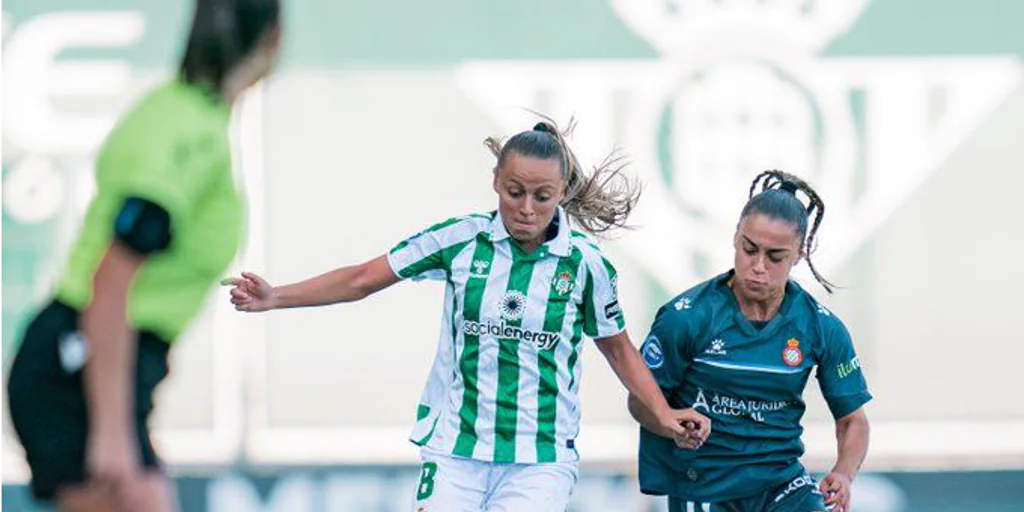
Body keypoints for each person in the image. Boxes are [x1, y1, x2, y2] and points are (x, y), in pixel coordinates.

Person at [224, 119, 711, 512]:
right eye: (514, 191)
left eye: (541, 197)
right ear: (495, 181)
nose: (524, 208)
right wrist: (275, 297)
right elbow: (362, 279)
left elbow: (618, 349)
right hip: (456, 451)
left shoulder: (585, 265)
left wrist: (663, 414)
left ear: (561, 192)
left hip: (539, 461)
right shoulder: (460, 240)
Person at [5, 1, 282, 510]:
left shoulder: (182, 115)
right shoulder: (188, 131)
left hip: (97, 365)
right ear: (273, 39)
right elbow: (111, 279)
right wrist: (112, 434)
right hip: (78, 369)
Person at [629, 170, 871, 512]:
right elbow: (640, 401)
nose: (758, 266)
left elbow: (853, 420)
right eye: (749, 249)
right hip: (705, 484)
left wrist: (844, 473)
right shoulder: (687, 318)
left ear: (800, 253)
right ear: (735, 238)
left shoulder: (819, 326)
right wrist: (670, 423)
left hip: (782, 482)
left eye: (775, 257)